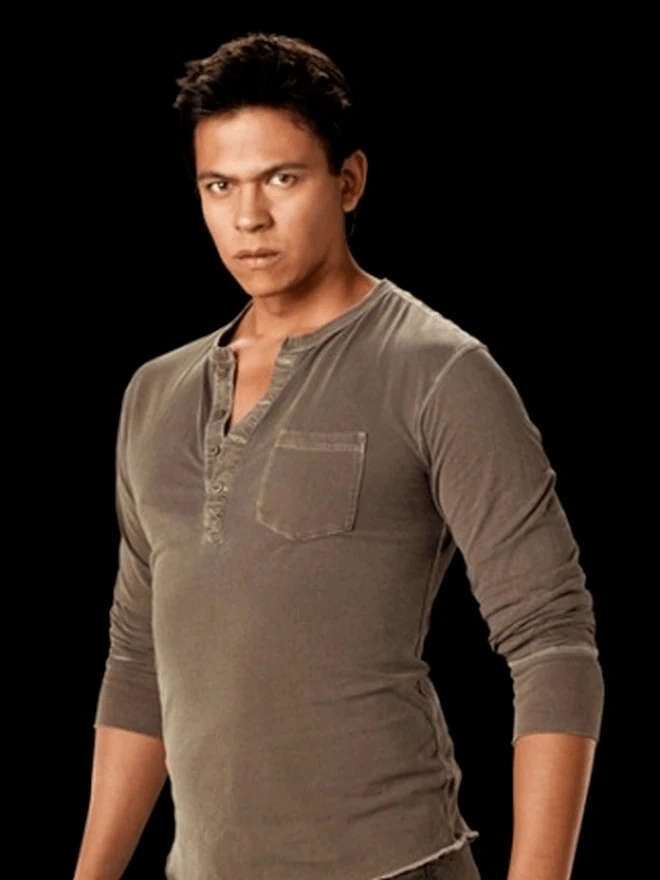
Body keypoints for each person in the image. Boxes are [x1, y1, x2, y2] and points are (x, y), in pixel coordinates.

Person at [73, 32, 604, 880]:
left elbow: (552, 639)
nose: (248, 218)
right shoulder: (155, 394)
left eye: (281, 179)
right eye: (220, 185)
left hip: (395, 864)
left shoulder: (439, 372)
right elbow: (139, 662)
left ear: (348, 181)